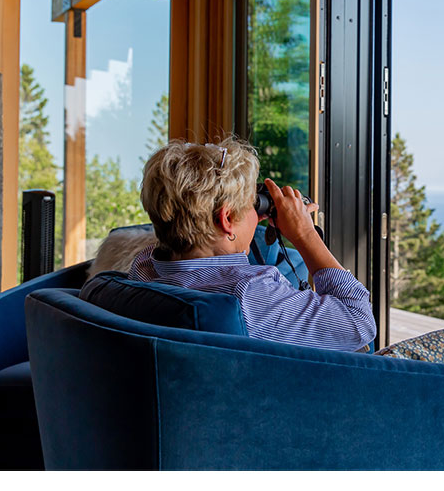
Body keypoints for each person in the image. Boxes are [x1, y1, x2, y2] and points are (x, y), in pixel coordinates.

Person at [127, 137, 376, 352]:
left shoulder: (143, 268)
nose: (257, 215)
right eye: (251, 205)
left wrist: (242, 213)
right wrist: (304, 234)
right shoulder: (250, 295)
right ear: (226, 220)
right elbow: (360, 322)